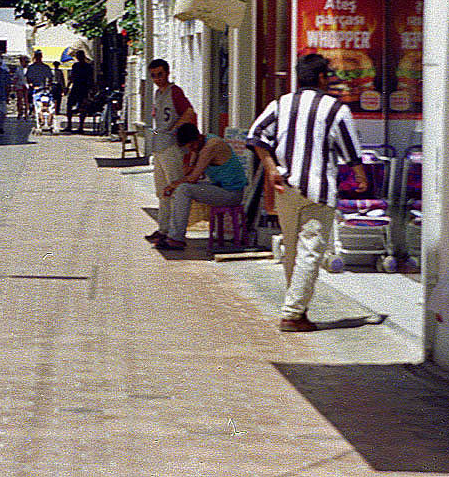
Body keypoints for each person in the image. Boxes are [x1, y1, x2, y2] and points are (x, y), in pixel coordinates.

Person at [247, 53, 368, 332]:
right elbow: (350, 150)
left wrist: (271, 168)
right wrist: (360, 176)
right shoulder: (336, 109)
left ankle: (297, 309)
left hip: (285, 187)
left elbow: (255, 134)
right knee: (310, 251)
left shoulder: (281, 103)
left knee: (292, 249)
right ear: (323, 77)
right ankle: (292, 313)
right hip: (319, 190)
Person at [153, 123, 247, 250]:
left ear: (199, 137)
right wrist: (191, 162)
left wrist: (171, 186)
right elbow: (191, 170)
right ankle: (173, 234)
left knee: (183, 189)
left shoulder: (211, 146)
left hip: (231, 194)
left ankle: (176, 238)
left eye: (192, 146)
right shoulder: (201, 144)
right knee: (182, 188)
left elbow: (193, 178)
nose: (192, 150)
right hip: (220, 188)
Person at [143, 59, 197, 244]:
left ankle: (175, 233)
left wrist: (175, 129)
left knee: (174, 188)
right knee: (162, 191)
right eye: (153, 76)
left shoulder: (175, 91)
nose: (157, 79)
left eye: (160, 74)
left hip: (172, 146)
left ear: (167, 73)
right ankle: (163, 229)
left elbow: (189, 113)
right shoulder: (158, 94)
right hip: (159, 146)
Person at [65, 50, 94, 132]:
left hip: (81, 87)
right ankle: (73, 125)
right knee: (73, 106)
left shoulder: (83, 66)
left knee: (80, 107)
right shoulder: (80, 66)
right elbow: (72, 77)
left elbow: (72, 77)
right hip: (80, 87)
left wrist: (67, 86)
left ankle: (77, 126)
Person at [12, 55, 30, 120]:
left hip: (27, 86)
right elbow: (15, 78)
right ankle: (20, 112)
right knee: (19, 100)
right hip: (19, 85)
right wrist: (14, 86)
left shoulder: (29, 68)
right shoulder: (18, 69)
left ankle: (26, 113)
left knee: (26, 100)